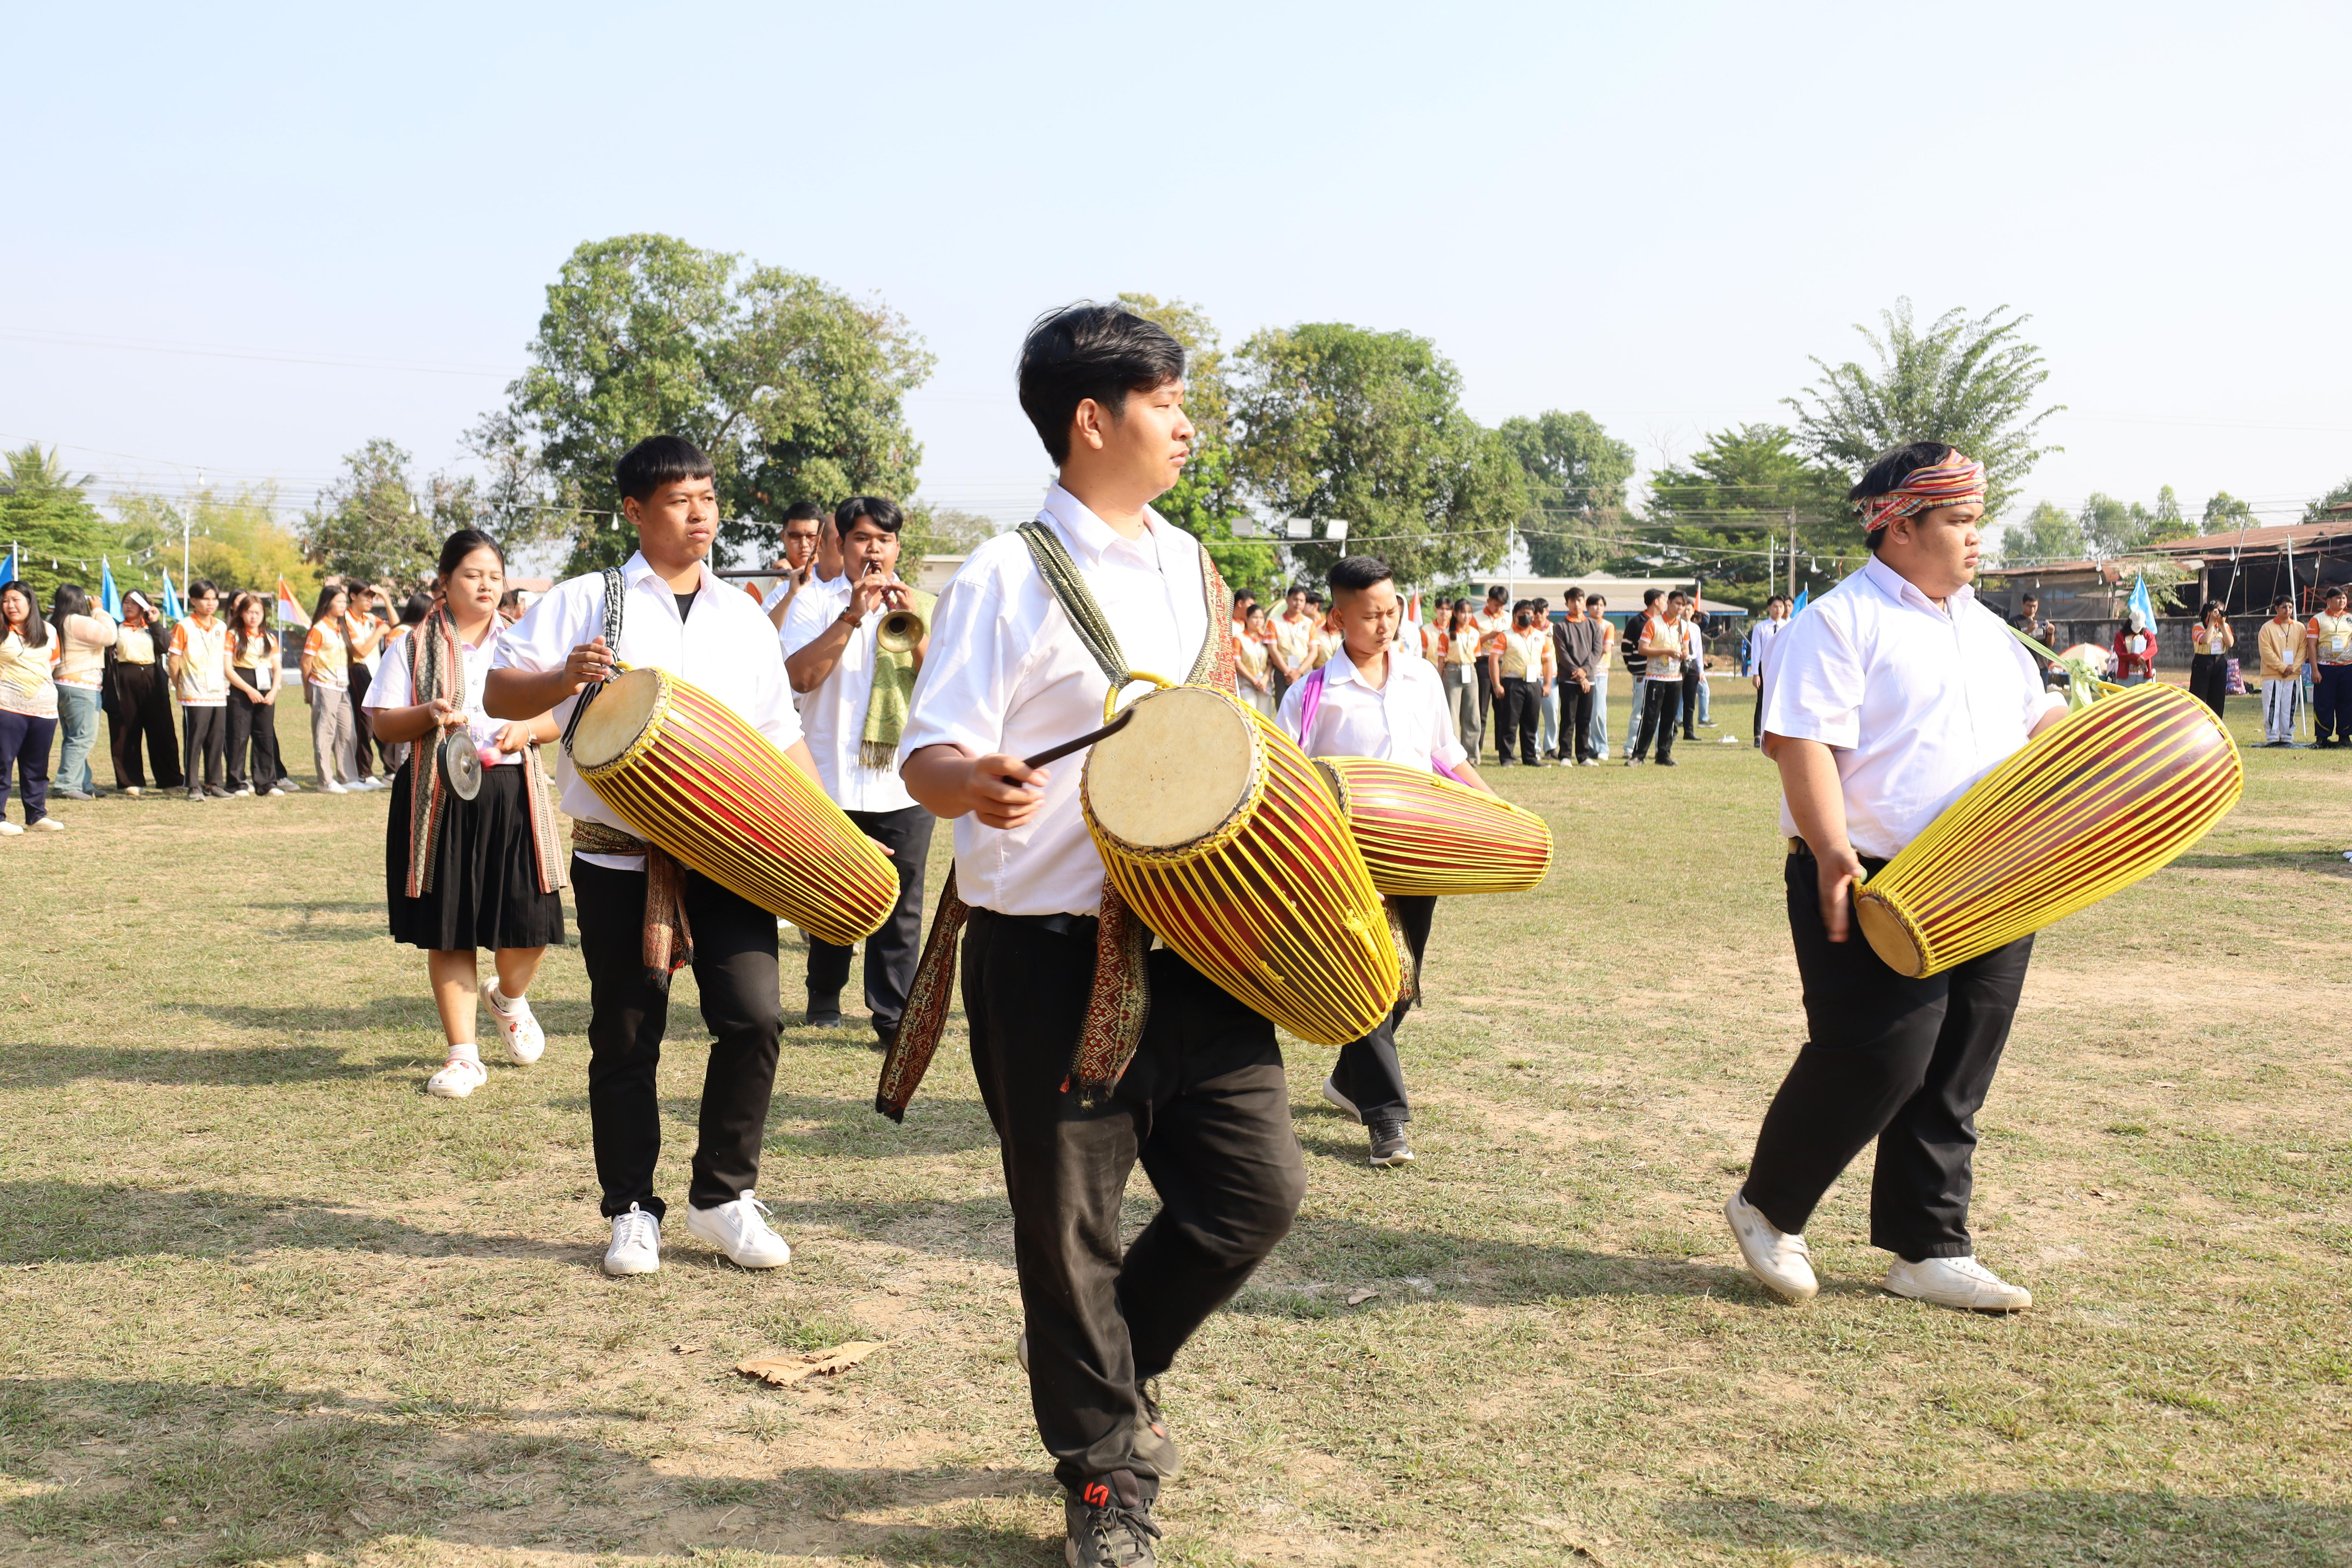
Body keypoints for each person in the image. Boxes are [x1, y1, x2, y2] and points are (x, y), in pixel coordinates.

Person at [897, 303, 1302, 1567]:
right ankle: (1102, 1481)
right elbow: (924, 752)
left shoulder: (1189, 564)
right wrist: (970, 783)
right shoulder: (1005, 575)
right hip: (1051, 955)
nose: (1187, 425)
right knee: (1068, 1228)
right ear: (1093, 420)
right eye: (1169, 403)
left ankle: (1098, 1372)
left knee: (1256, 1195)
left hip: (1194, 938)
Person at [1729, 441, 2066, 1315]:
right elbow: (1800, 742)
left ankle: (1927, 1246)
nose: (1974, 538)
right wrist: (1832, 849)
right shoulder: (1839, 621)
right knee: (1879, 1053)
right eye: (1957, 521)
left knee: (1958, 1063)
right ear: (1900, 527)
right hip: (1873, 876)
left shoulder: (1989, 631)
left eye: (1974, 519)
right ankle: (1768, 1206)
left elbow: (2042, 728)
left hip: (1991, 878)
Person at [488, 434, 818, 1280]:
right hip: (620, 855)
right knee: (628, 1034)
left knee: (755, 1018)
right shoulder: (584, 601)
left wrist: (826, 841)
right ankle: (631, 1208)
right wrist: (562, 679)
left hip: (730, 854)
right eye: (681, 499)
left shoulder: (744, 613)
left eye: (708, 496)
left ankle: (723, 1194)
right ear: (635, 510)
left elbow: (780, 737)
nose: (701, 512)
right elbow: (498, 691)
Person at [1278, 553, 1489, 1167]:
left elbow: (1447, 755)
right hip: (1347, 863)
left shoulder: (1422, 677)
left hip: (1420, 850)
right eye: (1370, 614)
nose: (1385, 623)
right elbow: (1284, 777)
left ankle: (1349, 1080)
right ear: (1338, 619)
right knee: (1372, 975)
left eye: (1392, 610)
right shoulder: (1312, 694)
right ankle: (1387, 1121)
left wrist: (1497, 809)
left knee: (1404, 984)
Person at [370, 528, 568, 1099]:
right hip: (439, 797)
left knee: (531, 925)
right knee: (449, 929)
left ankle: (507, 997)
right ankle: (463, 1057)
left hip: (513, 792)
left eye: (494, 576)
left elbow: (560, 715)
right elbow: (383, 723)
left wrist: (527, 729)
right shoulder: (411, 645)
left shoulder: (523, 644)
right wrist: (426, 714)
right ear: (445, 582)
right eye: (472, 575)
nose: (485, 586)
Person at [781, 495, 937, 1048]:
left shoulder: (924, 604)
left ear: (898, 547)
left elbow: (945, 682)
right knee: (832, 892)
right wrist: (852, 614)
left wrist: (912, 623)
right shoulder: (812, 604)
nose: (875, 550)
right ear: (840, 544)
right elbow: (798, 679)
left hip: (904, 778)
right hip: (828, 775)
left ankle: (892, 1018)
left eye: (885, 540)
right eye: (863, 539)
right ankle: (824, 994)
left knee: (904, 901)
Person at [0, 580, 62, 835]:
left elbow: (54, 664)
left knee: (37, 766)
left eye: (16, 600)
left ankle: (37, 815)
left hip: (44, 711)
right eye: (5, 600)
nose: (11, 606)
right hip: (7, 708)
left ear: (30, 602)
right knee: (3, 763)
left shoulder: (49, 631)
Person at [104, 591, 181, 795]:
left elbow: (166, 646)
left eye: (135, 603)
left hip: (152, 678)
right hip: (124, 678)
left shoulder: (152, 629)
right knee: (125, 731)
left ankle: (170, 781)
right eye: (126, 602)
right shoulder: (116, 629)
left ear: (144, 607)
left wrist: (154, 622)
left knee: (162, 730)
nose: (129, 606)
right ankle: (130, 782)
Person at [303, 585, 376, 793]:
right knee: (325, 734)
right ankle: (325, 781)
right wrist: (307, 689)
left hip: (342, 687)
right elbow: (306, 663)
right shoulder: (319, 629)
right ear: (328, 603)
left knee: (348, 733)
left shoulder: (340, 628)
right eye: (340, 602)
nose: (344, 605)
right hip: (324, 686)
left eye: (345, 602)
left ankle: (349, 777)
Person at [48, 584, 115, 800]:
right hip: (81, 686)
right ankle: (67, 785)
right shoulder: (77, 621)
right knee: (83, 738)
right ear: (79, 601)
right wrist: (98, 610)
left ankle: (83, 782)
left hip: (63, 683)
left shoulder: (55, 621)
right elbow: (109, 636)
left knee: (74, 737)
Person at [168, 579, 232, 799]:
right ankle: (193, 785)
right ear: (194, 601)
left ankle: (214, 783)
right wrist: (179, 685)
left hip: (218, 691)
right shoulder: (184, 626)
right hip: (194, 692)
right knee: (195, 739)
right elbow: (174, 660)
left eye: (214, 598)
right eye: (206, 598)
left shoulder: (222, 627)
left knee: (217, 738)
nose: (211, 603)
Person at [225, 592, 288, 796]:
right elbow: (227, 668)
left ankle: (266, 783)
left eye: (258, 612)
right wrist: (248, 690)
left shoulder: (270, 637)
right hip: (241, 687)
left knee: (265, 735)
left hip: (266, 686)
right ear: (241, 614)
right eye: (249, 612)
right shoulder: (233, 635)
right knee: (239, 736)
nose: (254, 616)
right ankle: (237, 782)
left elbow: (277, 668)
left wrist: (273, 692)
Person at [1629, 591, 1686, 766]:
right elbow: (1643, 649)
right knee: (1650, 717)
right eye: (1677, 603)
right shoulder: (1653, 624)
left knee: (1670, 719)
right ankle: (1638, 755)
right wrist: (1666, 652)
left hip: (1675, 677)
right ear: (1668, 603)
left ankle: (1663, 755)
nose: (1680, 608)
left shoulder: (1684, 626)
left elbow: (1686, 648)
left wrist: (1685, 654)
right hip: (1655, 677)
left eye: (1683, 605)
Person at [1494, 600, 1550, 766]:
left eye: (1529, 614)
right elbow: (1494, 660)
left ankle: (1531, 757)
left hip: (1534, 684)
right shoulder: (1505, 636)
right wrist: (1497, 684)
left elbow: (1547, 661)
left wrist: (1547, 684)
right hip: (1512, 682)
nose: (1526, 616)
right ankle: (1507, 758)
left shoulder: (1541, 636)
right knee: (1509, 723)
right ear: (1515, 616)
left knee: (1531, 723)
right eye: (1522, 614)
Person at [1554, 587, 1605, 766]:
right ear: (1567, 603)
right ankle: (1565, 756)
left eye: (1580, 600)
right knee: (1568, 718)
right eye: (1573, 601)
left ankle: (1583, 756)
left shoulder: (1594, 625)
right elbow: (1562, 655)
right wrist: (1579, 674)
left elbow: (1597, 651)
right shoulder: (1560, 627)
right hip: (1569, 679)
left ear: (1584, 602)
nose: (1577, 604)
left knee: (1585, 719)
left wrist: (1586, 671)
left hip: (1589, 679)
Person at [762, 499, 828, 634]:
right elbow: (759, 636)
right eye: (796, 536)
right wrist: (788, 582)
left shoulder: (837, 579)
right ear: (783, 537)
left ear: (822, 538)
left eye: (811, 536)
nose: (804, 544)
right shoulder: (761, 583)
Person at [344, 583, 389, 782]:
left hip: (376, 672)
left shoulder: (371, 618)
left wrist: (386, 598)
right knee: (365, 724)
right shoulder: (346, 618)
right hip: (358, 670)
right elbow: (360, 652)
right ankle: (365, 771)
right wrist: (379, 633)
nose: (371, 601)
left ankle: (391, 769)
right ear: (353, 596)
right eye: (367, 596)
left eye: (374, 597)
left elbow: (396, 625)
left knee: (383, 718)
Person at [1620, 588, 1663, 757]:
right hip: (1642, 676)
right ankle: (1631, 748)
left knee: (1658, 713)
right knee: (1639, 712)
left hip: (1660, 675)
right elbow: (1626, 648)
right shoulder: (1637, 622)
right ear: (1656, 602)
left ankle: (1660, 748)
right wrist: (1634, 668)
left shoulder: (1662, 622)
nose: (1666, 604)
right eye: (1664, 600)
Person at [2258, 597, 2304, 747]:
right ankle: (2272, 736)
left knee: (2289, 706)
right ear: (2277, 608)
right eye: (2284, 607)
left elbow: (2303, 650)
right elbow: (2266, 651)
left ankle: (2287, 736)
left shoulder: (2299, 627)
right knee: (2272, 705)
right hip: (2273, 674)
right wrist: (2282, 667)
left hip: (2293, 675)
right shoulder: (2267, 628)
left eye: (2290, 607)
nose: (2288, 610)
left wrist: (2294, 668)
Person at [2310, 586, 2352, 746]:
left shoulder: (2350, 619)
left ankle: (2345, 736)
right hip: (2325, 668)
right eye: (2338, 598)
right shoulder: (2318, 620)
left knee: (2347, 702)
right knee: (2324, 703)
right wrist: (2315, 669)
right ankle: (2322, 737)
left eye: (2344, 598)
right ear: (2329, 601)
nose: (2342, 601)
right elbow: (2312, 646)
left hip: (2348, 667)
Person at [1473, 584, 1510, 761]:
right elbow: (1470, 641)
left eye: (1503, 605)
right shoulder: (1476, 618)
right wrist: (1490, 636)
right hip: (1483, 663)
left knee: (1503, 709)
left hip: (1503, 664)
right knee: (1482, 709)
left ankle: (1503, 750)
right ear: (1488, 601)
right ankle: (1477, 749)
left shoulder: (1508, 618)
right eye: (1496, 605)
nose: (1500, 609)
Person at [1749, 594, 1792, 746]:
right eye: (1776, 606)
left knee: (1782, 699)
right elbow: (1756, 651)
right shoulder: (1761, 628)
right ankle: (1758, 735)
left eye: (1782, 606)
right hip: (1765, 667)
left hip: (1782, 666)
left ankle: (1781, 734)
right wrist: (1756, 673)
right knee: (1762, 701)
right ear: (1769, 608)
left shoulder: (1789, 626)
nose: (1779, 609)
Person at [1441, 601, 1481, 754]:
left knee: (1472, 714)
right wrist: (1440, 678)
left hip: (1470, 671)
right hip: (1452, 671)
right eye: (1463, 612)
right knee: (1453, 715)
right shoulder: (1446, 635)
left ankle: (1472, 755)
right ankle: (1455, 754)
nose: (1467, 616)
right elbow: (1441, 661)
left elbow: (1476, 656)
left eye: (1470, 612)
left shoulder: (1475, 634)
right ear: (1456, 614)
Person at [2188, 599, 2234, 719]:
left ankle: (2216, 725)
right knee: (2199, 697)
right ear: (2209, 612)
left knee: (2218, 698)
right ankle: (2196, 723)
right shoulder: (2198, 627)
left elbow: (2230, 643)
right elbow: (2206, 640)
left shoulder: (2225, 627)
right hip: (2203, 662)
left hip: (2220, 662)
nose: (2220, 615)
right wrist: (2212, 623)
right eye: (2217, 612)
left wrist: (2223, 625)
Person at [2012, 592, 2063, 690]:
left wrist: (2051, 633)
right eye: (2029, 606)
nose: (2032, 609)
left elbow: (2049, 644)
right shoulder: (2015, 622)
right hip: (2023, 666)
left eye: (2035, 606)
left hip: (2042, 665)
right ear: (2023, 604)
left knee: (2042, 694)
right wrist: (2028, 631)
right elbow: (2014, 642)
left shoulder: (2042, 621)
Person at [1235, 600, 1277, 716]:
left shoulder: (1265, 638)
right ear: (1247, 619)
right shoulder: (1239, 638)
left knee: (1265, 719)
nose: (1258, 621)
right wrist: (1254, 680)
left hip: (1264, 684)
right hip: (1246, 684)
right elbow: (1237, 663)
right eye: (1255, 617)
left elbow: (1270, 662)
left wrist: (1265, 679)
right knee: (1249, 717)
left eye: (1261, 618)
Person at [1583, 594, 1612, 760]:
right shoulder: (1583, 624)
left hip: (1600, 673)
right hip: (1583, 674)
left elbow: (1606, 649)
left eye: (1601, 605)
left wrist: (1586, 663)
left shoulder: (1608, 626)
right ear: (1588, 608)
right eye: (1594, 605)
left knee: (1599, 712)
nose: (1598, 608)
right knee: (1585, 713)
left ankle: (1602, 748)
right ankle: (1587, 748)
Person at [1680, 596, 1707, 738]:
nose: (1686, 612)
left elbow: (1699, 650)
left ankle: (1689, 732)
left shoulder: (1696, 628)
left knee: (1690, 702)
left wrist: (1701, 670)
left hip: (1693, 666)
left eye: (1689, 610)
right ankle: (1672, 732)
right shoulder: (1675, 626)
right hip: (1678, 664)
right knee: (1674, 700)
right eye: (1684, 609)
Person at [2112, 605, 2158, 688]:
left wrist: (2142, 657)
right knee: (2125, 699)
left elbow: (2154, 648)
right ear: (2130, 622)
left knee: (2144, 699)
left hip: (2144, 676)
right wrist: (2134, 657)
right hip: (2126, 677)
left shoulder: (2148, 634)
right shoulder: (2121, 636)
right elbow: (2120, 654)